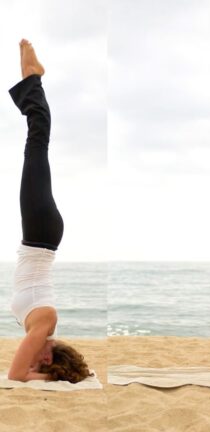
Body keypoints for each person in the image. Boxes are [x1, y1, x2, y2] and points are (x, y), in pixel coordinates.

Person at [7, 39, 91, 383]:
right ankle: (34, 81)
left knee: (35, 151)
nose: (35, 362)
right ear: (51, 356)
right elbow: (16, 376)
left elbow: (20, 372)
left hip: (41, 236)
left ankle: (31, 82)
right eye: (44, 363)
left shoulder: (40, 328)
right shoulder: (44, 325)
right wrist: (45, 377)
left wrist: (45, 375)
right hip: (40, 235)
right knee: (36, 147)